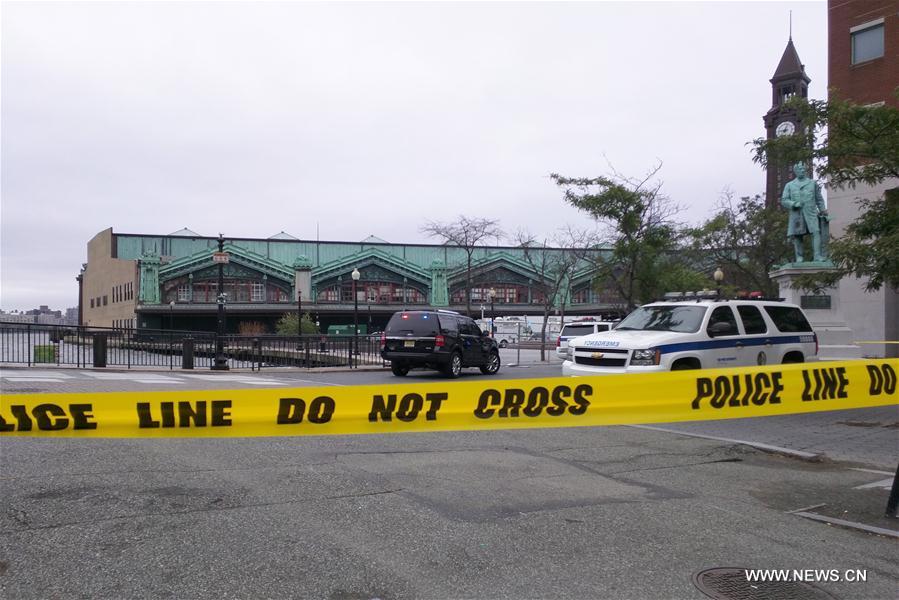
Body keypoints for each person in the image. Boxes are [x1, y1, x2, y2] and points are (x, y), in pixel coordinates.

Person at [781, 163, 829, 262]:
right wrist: (794, 204)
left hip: (811, 212)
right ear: (795, 171)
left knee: (816, 232)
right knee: (798, 235)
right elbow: (784, 200)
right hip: (797, 213)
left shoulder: (812, 183)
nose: (802, 171)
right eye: (800, 169)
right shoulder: (789, 185)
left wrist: (823, 210)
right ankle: (799, 257)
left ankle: (817, 256)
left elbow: (819, 199)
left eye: (803, 169)